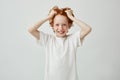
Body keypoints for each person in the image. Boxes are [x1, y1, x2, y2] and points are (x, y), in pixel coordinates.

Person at [28, 6, 91, 80]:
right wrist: (48, 17)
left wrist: (71, 17)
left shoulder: (73, 39)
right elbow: (31, 29)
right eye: (57, 25)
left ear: (69, 25)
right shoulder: (48, 39)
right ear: (52, 26)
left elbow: (88, 29)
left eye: (64, 25)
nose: (60, 28)